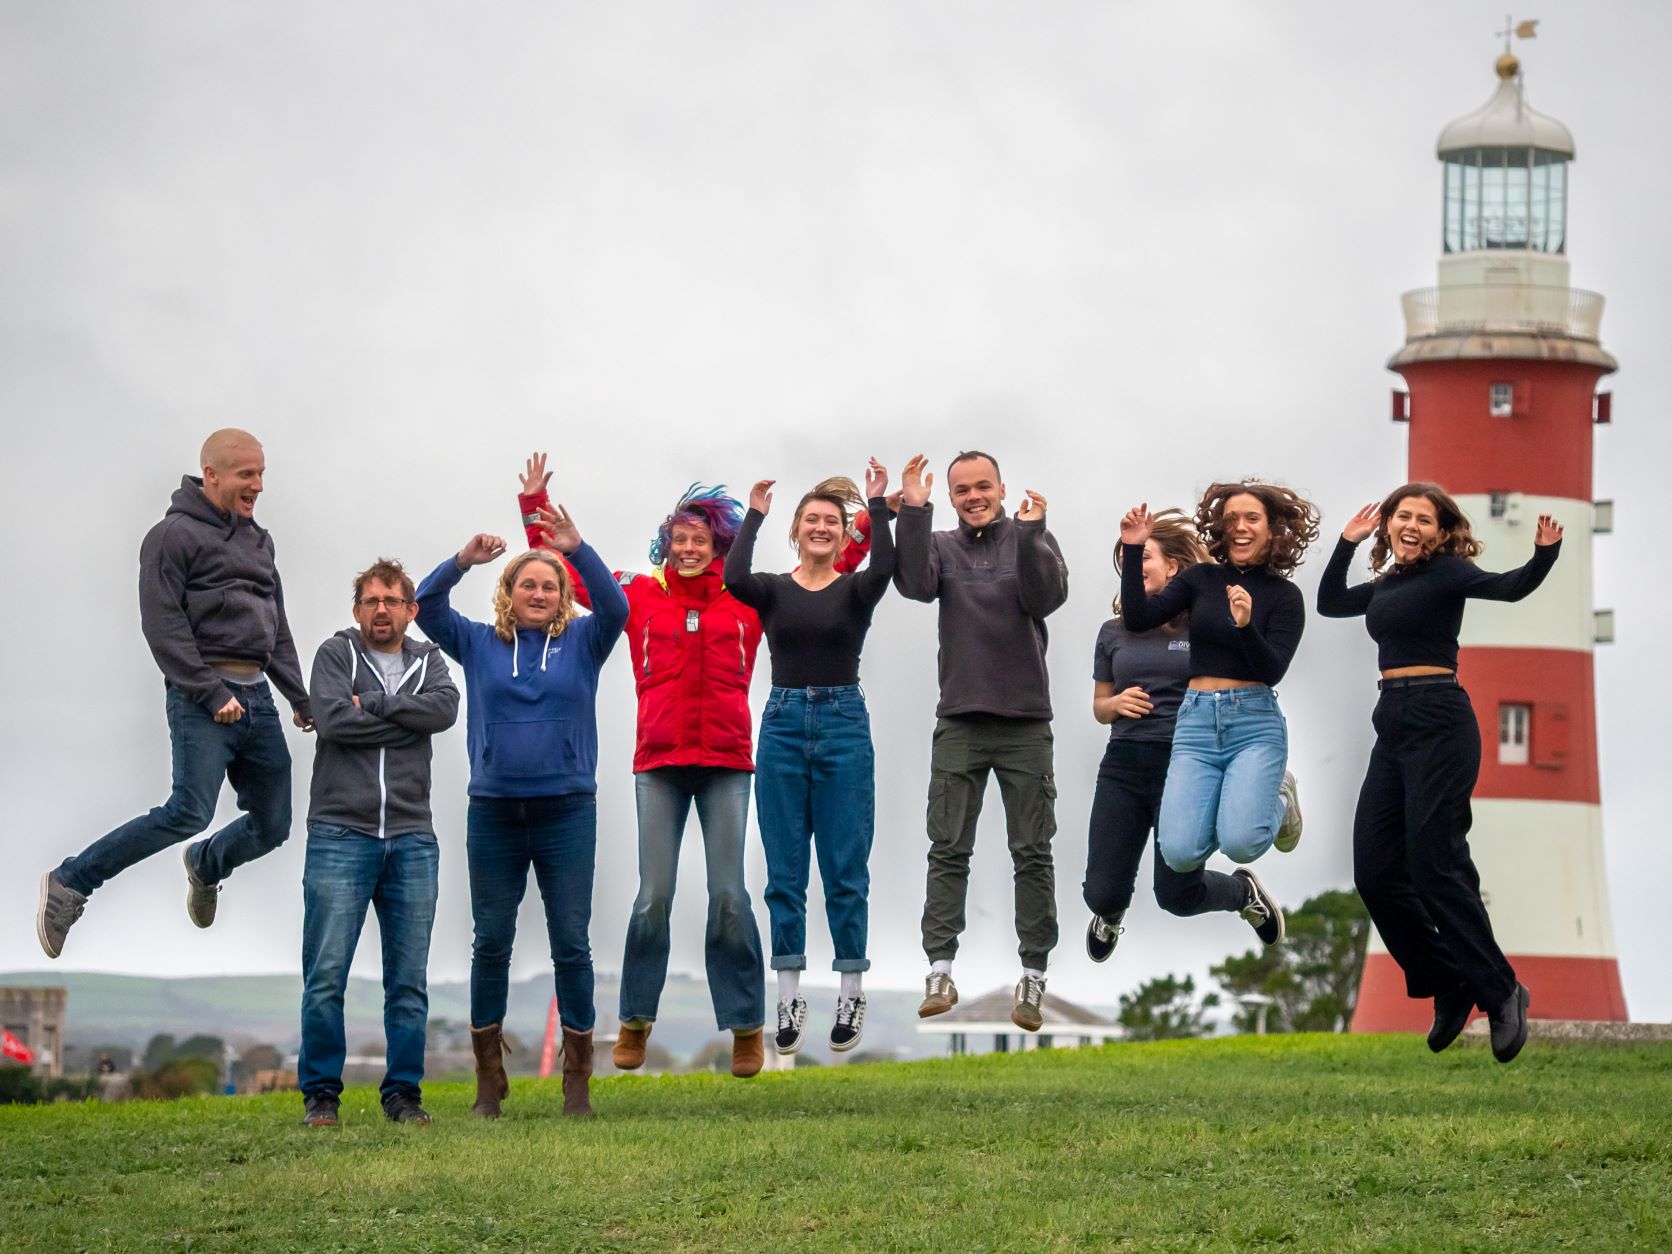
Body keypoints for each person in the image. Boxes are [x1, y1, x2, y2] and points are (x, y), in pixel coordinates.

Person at [513, 454, 770, 1079]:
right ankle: (633, 1022)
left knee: (729, 896)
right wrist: (535, 510)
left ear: (719, 546)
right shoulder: (639, 595)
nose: (686, 549)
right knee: (652, 896)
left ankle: (746, 1027)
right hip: (657, 763)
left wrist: (877, 517)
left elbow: (827, 575)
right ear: (666, 544)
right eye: (678, 540)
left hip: (726, 764)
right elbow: (568, 575)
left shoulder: (747, 601)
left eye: (699, 541)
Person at [37, 429, 314, 959]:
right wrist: (209, 693)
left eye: (261, 474)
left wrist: (299, 696)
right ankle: (71, 882)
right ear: (211, 475)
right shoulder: (172, 536)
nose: (257, 485)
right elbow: (162, 626)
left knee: (274, 824)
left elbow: (275, 626)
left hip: (257, 698)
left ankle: (206, 864)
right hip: (202, 698)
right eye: (245, 475)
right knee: (189, 809)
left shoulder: (261, 541)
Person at [1318, 483, 1559, 1064]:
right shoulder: (1386, 585)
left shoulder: (1450, 573)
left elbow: (1509, 587)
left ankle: (1501, 990)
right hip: (1392, 724)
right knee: (1375, 873)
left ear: (1441, 530)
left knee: (1436, 865)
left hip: (1441, 722)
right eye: (1403, 515)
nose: (1412, 525)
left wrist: (1544, 553)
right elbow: (1328, 601)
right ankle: (1447, 981)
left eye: (1424, 520)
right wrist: (1346, 543)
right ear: (1389, 525)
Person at [415, 495, 628, 1118]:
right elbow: (426, 607)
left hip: (567, 812)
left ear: (563, 597)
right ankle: (489, 1081)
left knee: (572, 944)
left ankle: (577, 1083)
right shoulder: (478, 643)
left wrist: (576, 550)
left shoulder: (586, 640)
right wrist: (463, 560)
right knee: (492, 943)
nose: (538, 592)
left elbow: (616, 607)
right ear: (508, 592)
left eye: (548, 586)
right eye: (527, 584)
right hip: (495, 812)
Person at [724, 462, 895, 1055]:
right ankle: (789, 995)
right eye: (811, 521)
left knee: (846, 868)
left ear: (846, 535)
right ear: (797, 531)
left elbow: (889, 567)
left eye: (832, 522)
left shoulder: (856, 588)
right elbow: (733, 575)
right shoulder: (771, 587)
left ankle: (851, 990)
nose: (822, 528)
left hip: (845, 725)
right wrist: (755, 513)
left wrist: (879, 505)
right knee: (785, 870)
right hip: (784, 725)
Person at [893, 451, 1068, 1031]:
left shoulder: (1030, 536)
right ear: (950, 495)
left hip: (1024, 722)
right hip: (961, 720)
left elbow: (1045, 598)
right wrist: (912, 512)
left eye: (982, 486)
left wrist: (1034, 531)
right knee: (948, 849)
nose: (973, 496)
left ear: (1000, 488)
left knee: (1032, 852)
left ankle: (1034, 977)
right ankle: (940, 969)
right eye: (961, 489)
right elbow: (914, 585)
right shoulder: (939, 545)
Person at [1117, 481, 1319, 949]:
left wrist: (1246, 626)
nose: (1241, 528)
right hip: (1196, 724)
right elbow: (1138, 618)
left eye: (1252, 519)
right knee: (1181, 852)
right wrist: (1132, 551)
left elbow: (1272, 670)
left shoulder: (1284, 596)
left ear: (1273, 530)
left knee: (1242, 844)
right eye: (1232, 520)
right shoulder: (1200, 580)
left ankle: (1280, 798)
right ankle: (1242, 806)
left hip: (1254, 723)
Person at [297, 558, 460, 1128]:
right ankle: (321, 1097)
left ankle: (403, 1097)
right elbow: (335, 721)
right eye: (372, 600)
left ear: (411, 611)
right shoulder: (335, 655)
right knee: (326, 975)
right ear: (357, 609)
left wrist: (379, 706)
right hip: (341, 832)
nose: (382, 609)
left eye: (393, 600)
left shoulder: (430, 660)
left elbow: (444, 710)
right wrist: (405, 722)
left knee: (408, 981)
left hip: (413, 837)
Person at [1083, 511, 1257, 963]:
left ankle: (1242, 892)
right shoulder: (1112, 632)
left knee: (1177, 896)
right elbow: (1100, 706)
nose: (1133, 564)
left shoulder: (1201, 627)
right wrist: (1115, 705)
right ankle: (1109, 915)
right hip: (1123, 763)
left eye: (1142, 556)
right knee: (1100, 893)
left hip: (1186, 767)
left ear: (1173, 567)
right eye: (1126, 559)